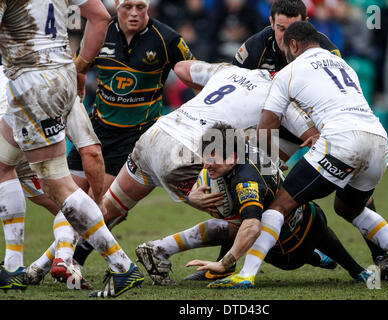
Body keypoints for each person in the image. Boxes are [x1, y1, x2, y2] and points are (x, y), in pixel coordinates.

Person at [201, 21, 388, 288]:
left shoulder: (289, 72)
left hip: (341, 139)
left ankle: (246, 275)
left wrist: (263, 167)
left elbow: (266, 126)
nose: (285, 53)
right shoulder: (345, 66)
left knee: (279, 206)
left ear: (295, 45)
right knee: (350, 207)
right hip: (378, 139)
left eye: (286, 48)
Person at [84, 59, 325, 280]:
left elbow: (180, 68)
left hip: (155, 134)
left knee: (106, 208)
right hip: (183, 151)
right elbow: (311, 135)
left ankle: (60, 258)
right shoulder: (278, 92)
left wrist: (203, 98)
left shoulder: (228, 70)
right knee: (244, 221)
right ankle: (167, 251)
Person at [0, 0, 144, 298]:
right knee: (2, 163)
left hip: (34, 81)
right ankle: (13, 267)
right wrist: (80, 68)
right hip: (61, 72)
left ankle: (122, 267)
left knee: (59, 185)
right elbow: (101, 17)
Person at [137, 124, 375, 288]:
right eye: (205, 156)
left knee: (234, 221)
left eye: (213, 158)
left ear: (232, 156)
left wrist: (224, 262)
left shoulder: (245, 181)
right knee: (246, 212)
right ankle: (351, 268)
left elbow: (250, 225)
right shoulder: (244, 147)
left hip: (285, 252)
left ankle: (161, 249)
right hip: (308, 220)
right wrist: (192, 197)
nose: (206, 164)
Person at [69, 0, 196, 266]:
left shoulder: (168, 39)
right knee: (67, 201)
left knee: (99, 206)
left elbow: (195, 79)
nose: (135, 13)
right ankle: (64, 257)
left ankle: (73, 261)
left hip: (137, 138)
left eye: (141, 6)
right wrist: (71, 115)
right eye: (128, 6)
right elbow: (77, 72)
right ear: (116, 5)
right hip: (97, 130)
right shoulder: (99, 31)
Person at [0, 68, 103, 289]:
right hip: (29, 138)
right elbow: (90, 149)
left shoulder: (13, 66)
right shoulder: (53, 76)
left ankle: (14, 266)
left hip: (9, 135)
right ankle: (61, 259)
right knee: (65, 207)